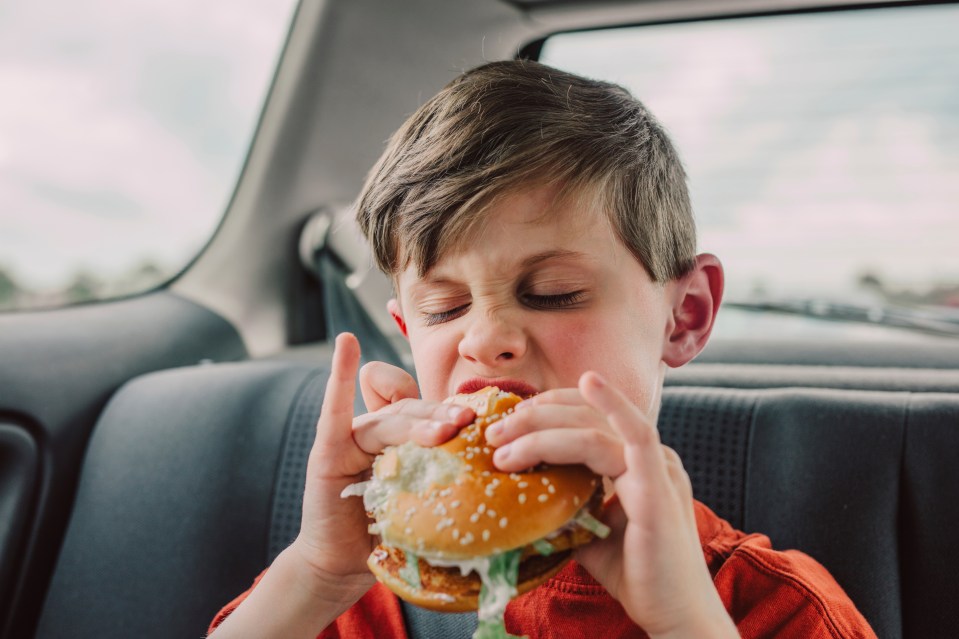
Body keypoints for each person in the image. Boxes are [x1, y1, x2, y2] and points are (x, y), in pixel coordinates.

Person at [207, 60, 875, 638]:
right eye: (443, 308)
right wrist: (317, 575)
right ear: (409, 338)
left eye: (553, 292)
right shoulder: (344, 593)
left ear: (684, 315)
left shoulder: (778, 609)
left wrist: (684, 621)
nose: (485, 338)